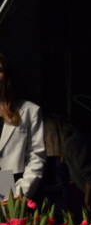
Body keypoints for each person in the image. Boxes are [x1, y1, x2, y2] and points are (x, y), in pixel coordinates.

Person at [0, 53, 46, 200]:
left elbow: (36, 157)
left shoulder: (29, 111)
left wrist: (20, 193)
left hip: (8, 181)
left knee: (8, 221)